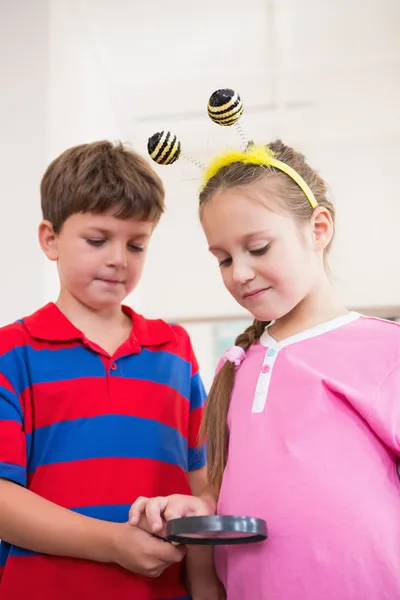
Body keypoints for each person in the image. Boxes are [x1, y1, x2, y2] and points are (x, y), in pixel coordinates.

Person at [130, 140, 400, 599]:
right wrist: (196, 507)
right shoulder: (237, 366)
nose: (240, 273)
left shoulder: (384, 349)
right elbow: (229, 491)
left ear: (318, 229)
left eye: (257, 247)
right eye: (224, 258)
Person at [0, 141, 212, 600]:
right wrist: (113, 543)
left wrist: (207, 585)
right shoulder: (10, 353)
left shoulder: (175, 350)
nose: (119, 258)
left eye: (137, 244)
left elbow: (203, 482)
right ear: (50, 239)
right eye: (98, 240)